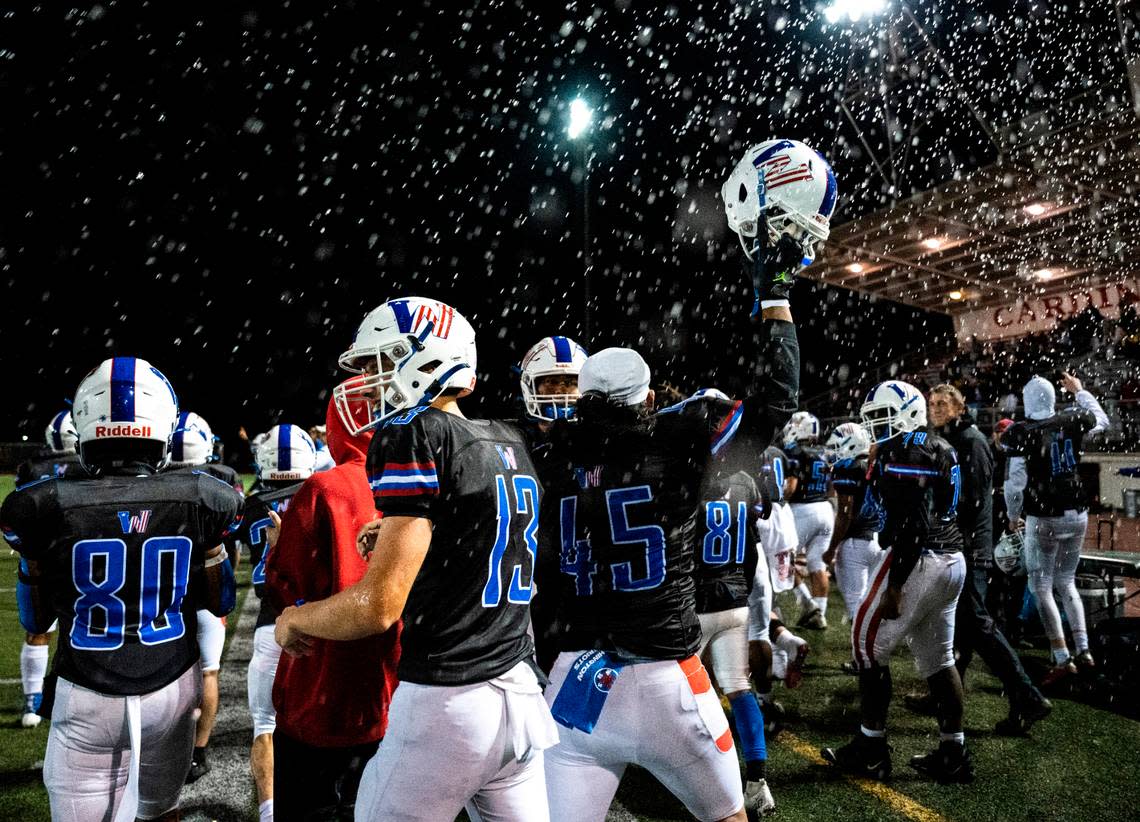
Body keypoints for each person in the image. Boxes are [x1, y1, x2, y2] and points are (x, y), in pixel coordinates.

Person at [540, 136, 827, 822]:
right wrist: (776, 299)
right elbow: (776, 403)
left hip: (576, 684)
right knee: (727, 818)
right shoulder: (675, 443)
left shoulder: (545, 455)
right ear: (647, 401)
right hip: (671, 675)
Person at [275, 297, 558, 821]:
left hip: (447, 699)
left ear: (422, 358)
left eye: (377, 362)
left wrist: (295, 618)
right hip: (519, 690)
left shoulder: (412, 431)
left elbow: (377, 607)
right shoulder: (506, 437)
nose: (367, 379)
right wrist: (405, 531)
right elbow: (478, 530)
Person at [1, 356, 242, 822]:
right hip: (172, 681)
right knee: (160, 810)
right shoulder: (205, 495)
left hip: (87, 687)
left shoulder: (42, 504)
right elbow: (221, 601)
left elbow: (35, 621)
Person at [822, 380, 973, 784]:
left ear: (909, 413)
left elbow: (914, 525)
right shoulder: (939, 445)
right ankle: (953, 750)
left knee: (865, 647)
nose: (877, 425)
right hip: (952, 557)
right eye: (872, 418)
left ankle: (871, 748)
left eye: (884, 416)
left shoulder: (905, 452)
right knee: (939, 659)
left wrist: (894, 588)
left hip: (920, 559)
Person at [264, 395, 400, 822]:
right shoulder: (418, 484)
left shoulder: (327, 487)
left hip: (322, 683)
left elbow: (287, 587)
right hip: (393, 683)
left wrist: (277, 551)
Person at [906, 385, 1052, 735]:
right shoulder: (954, 440)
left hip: (970, 550)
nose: (936, 408)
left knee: (978, 627)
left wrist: (947, 532)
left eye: (943, 404)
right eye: (932, 404)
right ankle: (945, 693)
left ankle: (1027, 696)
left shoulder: (971, 442)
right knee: (960, 628)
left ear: (959, 407)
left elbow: (969, 503)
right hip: (963, 546)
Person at [689, 390, 774, 815]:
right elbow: (753, 543)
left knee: (684, 693)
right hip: (736, 596)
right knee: (739, 689)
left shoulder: (691, 475)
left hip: (697, 599)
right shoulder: (745, 480)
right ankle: (757, 780)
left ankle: (697, 776)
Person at [235, 423, 318, 821]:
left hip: (271, 622)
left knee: (264, 725)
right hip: (319, 622)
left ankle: (270, 813)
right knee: (318, 722)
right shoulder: (320, 494)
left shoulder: (252, 504)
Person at [1003, 372, 1109, 684]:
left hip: (1044, 515)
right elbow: (1101, 420)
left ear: (1026, 401)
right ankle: (1084, 649)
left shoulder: (1022, 432)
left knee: (1041, 586)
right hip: (1077, 512)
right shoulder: (1072, 419)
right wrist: (1080, 391)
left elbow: (1014, 485)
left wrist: (1012, 517)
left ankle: (1062, 656)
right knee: (1066, 581)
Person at [163, 410, 240, 783]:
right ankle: (198, 752)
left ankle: (165, 748)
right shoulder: (221, 481)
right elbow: (232, 546)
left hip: (163, 595)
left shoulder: (154, 478)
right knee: (209, 671)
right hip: (207, 592)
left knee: (165, 673)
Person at [15, 410, 86, 728]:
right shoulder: (87, 464)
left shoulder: (32, 467)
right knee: (81, 628)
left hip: (41, 556)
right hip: (79, 554)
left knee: (37, 629)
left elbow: (18, 512)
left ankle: (33, 701)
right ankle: (76, 696)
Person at [823, 421, 881, 622]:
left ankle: (863, 650)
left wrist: (831, 549)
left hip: (856, 542)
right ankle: (874, 646)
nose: (835, 451)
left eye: (839, 445)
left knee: (856, 605)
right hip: (880, 540)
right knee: (873, 601)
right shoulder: (876, 465)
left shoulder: (848, 468)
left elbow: (845, 514)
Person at [782, 411, 835, 629]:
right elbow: (833, 488)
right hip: (825, 509)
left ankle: (808, 604)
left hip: (801, 509)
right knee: (817, 563)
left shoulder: (795, 451)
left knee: (781, 560)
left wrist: (780, 502)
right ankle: (819, 615)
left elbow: (791, 487)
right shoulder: (826, 452)